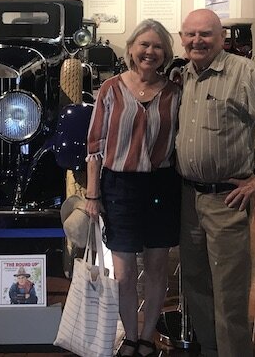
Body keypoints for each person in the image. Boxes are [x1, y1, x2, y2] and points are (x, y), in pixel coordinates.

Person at [175, 9, 255, 357]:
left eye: (206, 34)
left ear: (222, 38)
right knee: (196, 282)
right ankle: (211, 348)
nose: (197, 40)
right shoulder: (182, 75)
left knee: (229, 288)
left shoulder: (242, 73)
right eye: (190, 34)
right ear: (181, 39)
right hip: (186, 198)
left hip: (226, 201)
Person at [85, 19, 182, 357]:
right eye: (144, 45)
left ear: (166, 54)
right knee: (125, 271)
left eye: (158, 47)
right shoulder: (111, 89)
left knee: (156, 266)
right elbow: (95, 145)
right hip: (119, 187)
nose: (150, 52)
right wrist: (92, 195)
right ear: (131, 50)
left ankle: (147, 334)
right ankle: (129, 335)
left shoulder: (174, 93)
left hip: (161, 186)